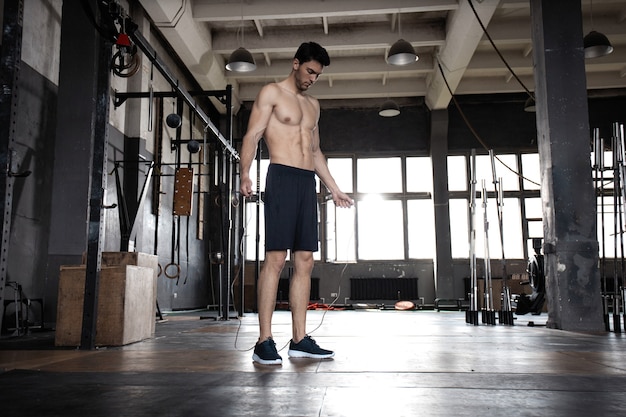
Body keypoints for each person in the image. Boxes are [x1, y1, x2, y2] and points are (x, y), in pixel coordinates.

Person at [239, 42, 354, 365]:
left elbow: (315, 152)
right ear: (295, 63)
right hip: (281, 177)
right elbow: (252, 135)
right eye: (309, 71)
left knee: (305, 260)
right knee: (276, 259)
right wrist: (245, 173)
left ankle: (300, 340)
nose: (312, 78)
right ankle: (264, 341)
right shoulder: (271, 93)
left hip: (307, 183)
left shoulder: (313, 105)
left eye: (317, 74)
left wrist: (334, 188)